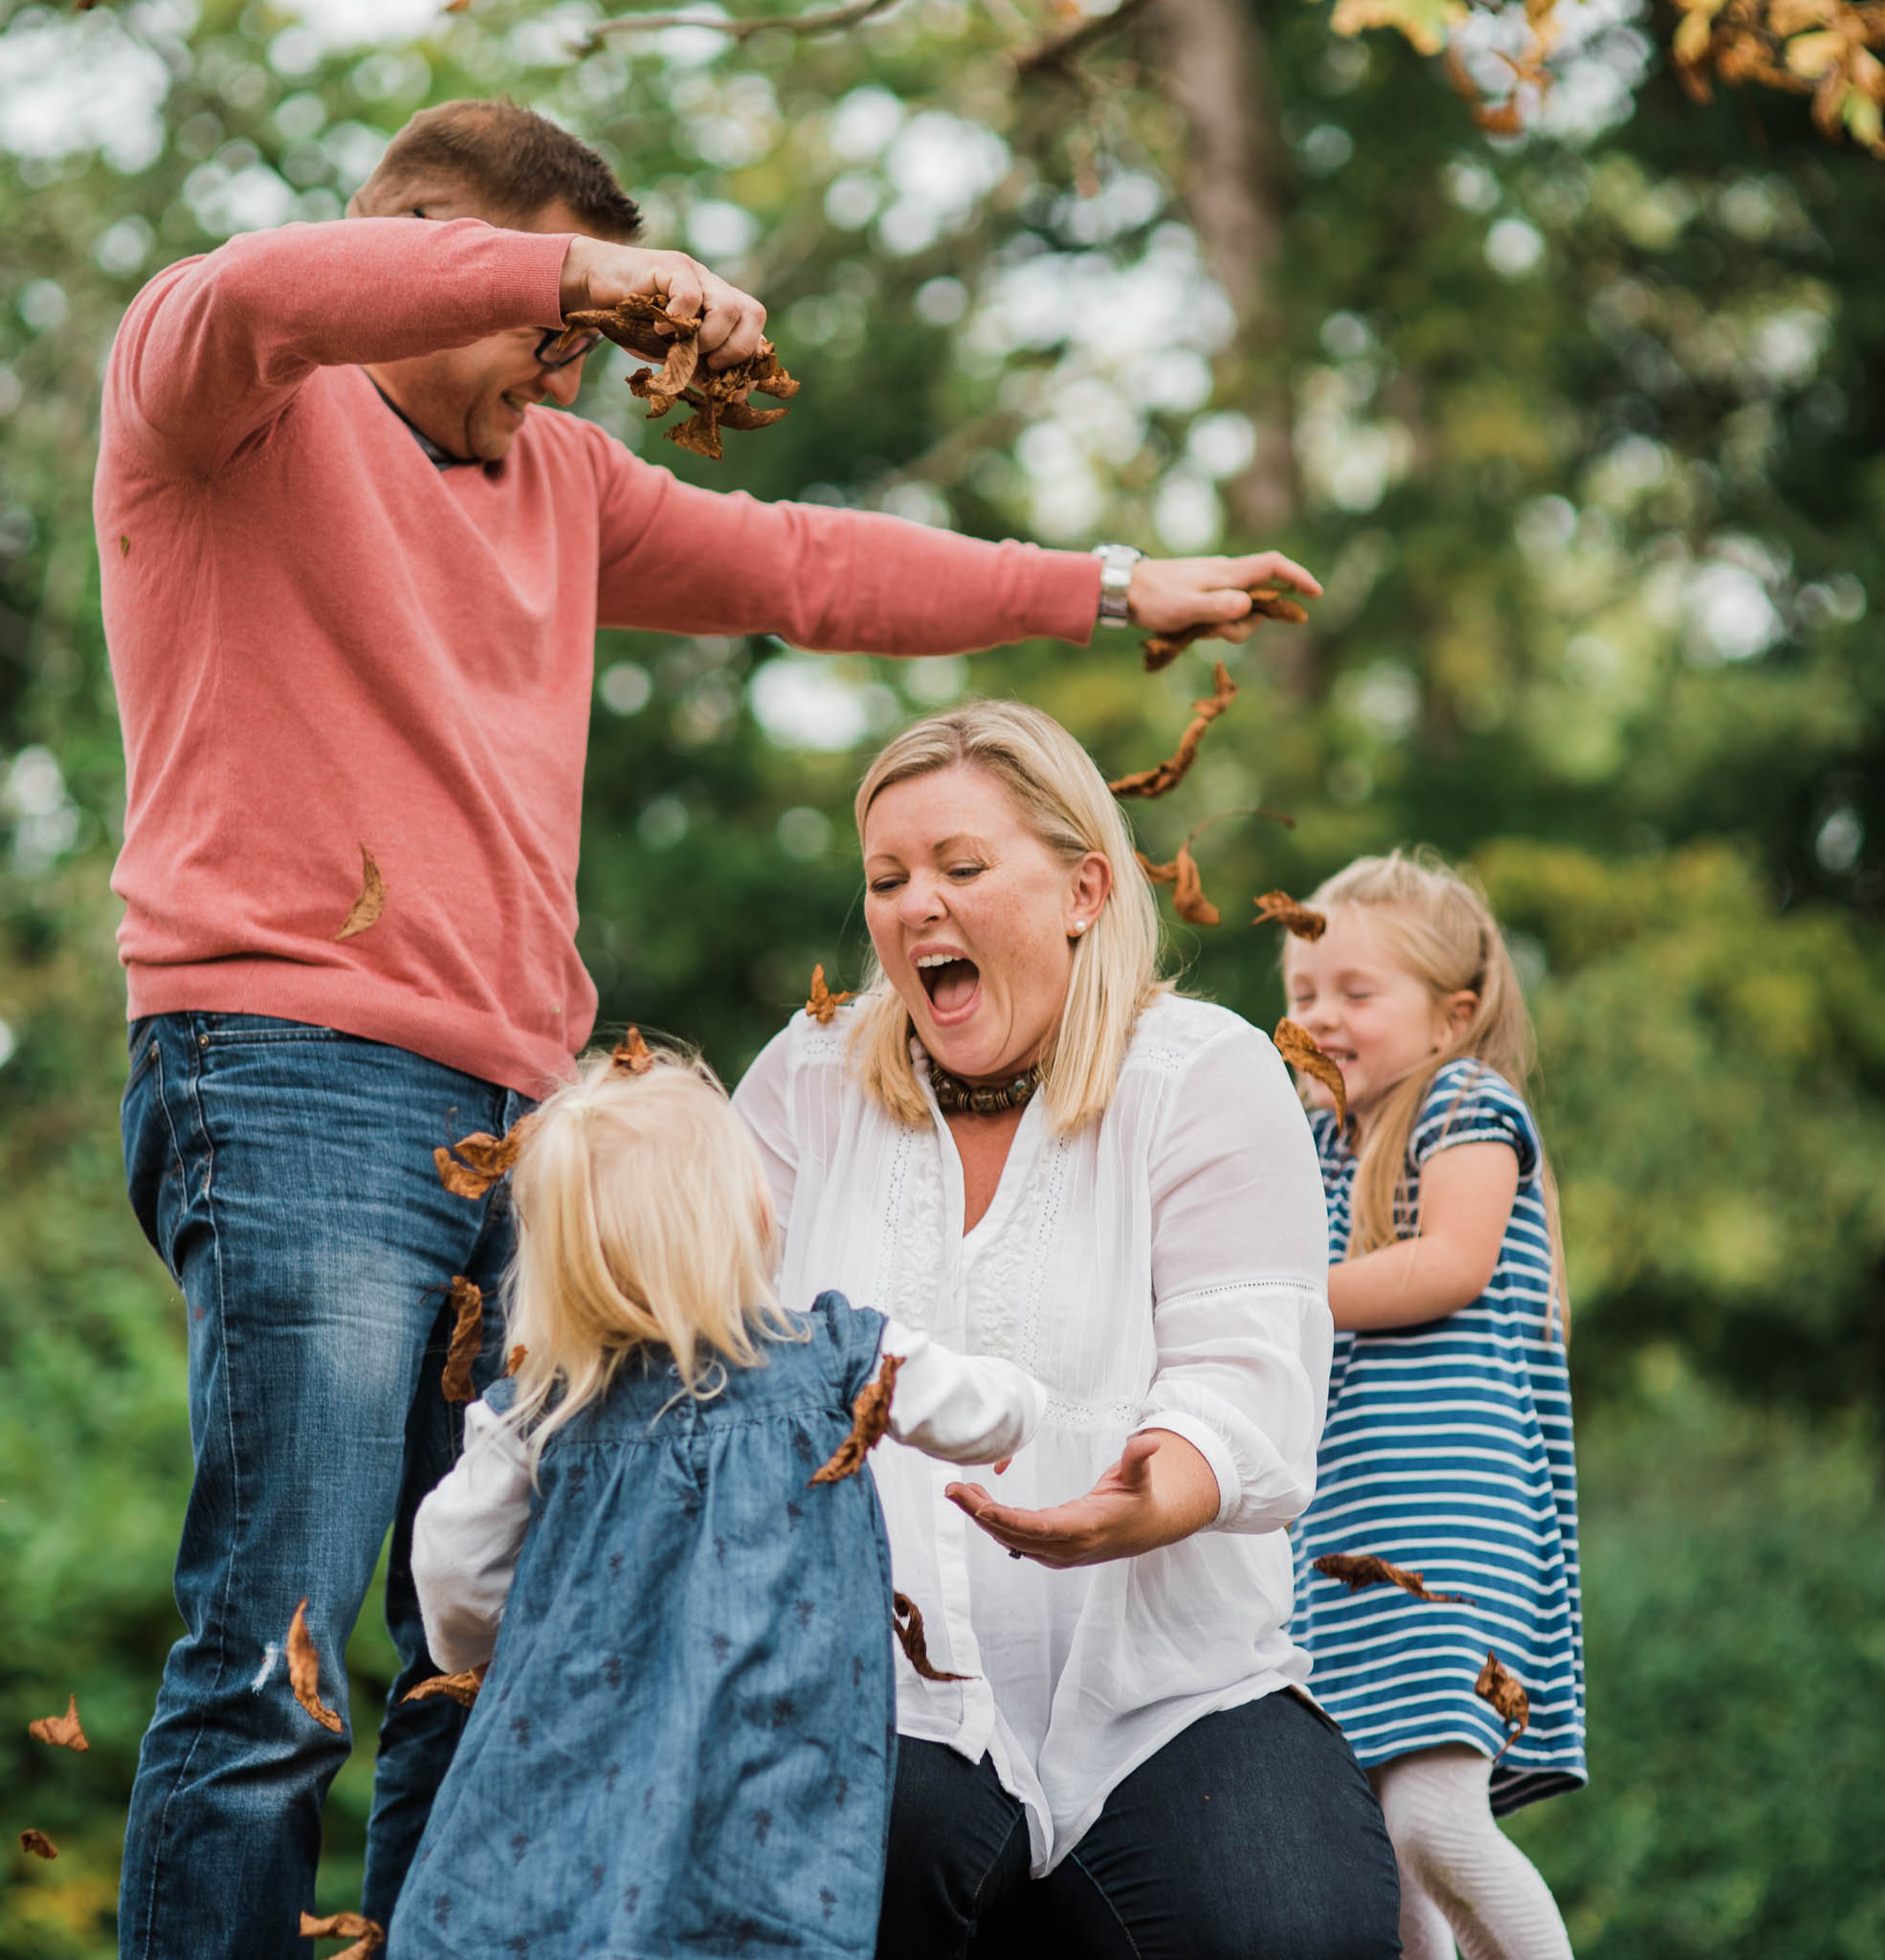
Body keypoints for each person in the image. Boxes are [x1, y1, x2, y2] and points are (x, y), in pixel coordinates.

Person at [98, 95, 1320, 1957]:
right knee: (279, 1646)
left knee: (493, 1636)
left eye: (584, 345)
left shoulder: (564, 491)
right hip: (289, 1072)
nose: (568, 374)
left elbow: (805, 569)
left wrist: (1099, 589)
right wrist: (596, 268)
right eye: (549, 333)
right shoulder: (231, 408)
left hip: (528, 1120)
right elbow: (259, 290)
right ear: (438, 236)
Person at [732, 701, 1402, 1956]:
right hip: (866, 1699)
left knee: (1282, 1929)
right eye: (887, 879)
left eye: (961, 868)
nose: (914, 903)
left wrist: (1157, 1492)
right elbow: (702, 1349)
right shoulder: (806, 1077)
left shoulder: (1201, 1073)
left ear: (1084, 888)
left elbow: (1246, 1372)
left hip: (1167, 1695)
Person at [388, 1041, 1044, 1957]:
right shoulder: (842, 1357)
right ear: (743, 1214)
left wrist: (484, 1643)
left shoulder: (540, 1412)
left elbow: (448, 1570)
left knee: (538, 1911)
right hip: (773, 1762)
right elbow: (988, 1410)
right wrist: (1029, 1415)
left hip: (570, 1758)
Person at [1279, 849, 1586, 1960]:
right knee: (1379, 1851)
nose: (1320, 1015)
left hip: (1449, 1525)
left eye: (1356, 993)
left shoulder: (1464, 1099)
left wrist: (1276, 1299)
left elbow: (1449, 1260)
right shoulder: (1313, 1143)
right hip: (1345, 1539)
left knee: (1433, 1819)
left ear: (1451, 1016)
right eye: (1303, 992)